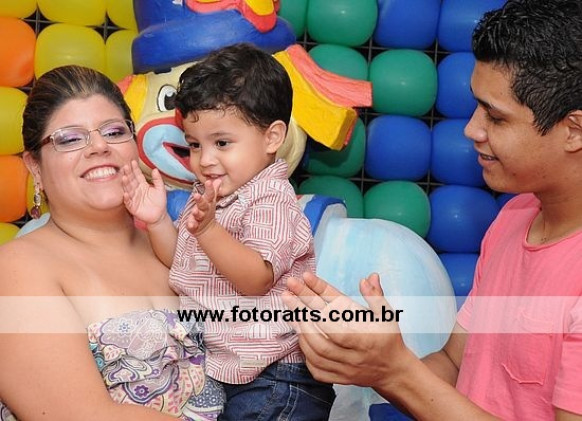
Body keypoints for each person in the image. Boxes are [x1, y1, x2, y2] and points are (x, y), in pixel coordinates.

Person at [283, 0, 582, 420]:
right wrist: (366, 358)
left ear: (573, 130)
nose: (471, 129)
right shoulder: (516, 215)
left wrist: (395, 371)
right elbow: (455, 364)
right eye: (477, 107)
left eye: (496, 118)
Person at [122, 42, 335, 420]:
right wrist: (156, 220)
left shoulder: (270, 200)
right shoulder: (209, 197)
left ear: (272, 137)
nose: (205, 160)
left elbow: (255, 278)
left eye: (222, 143)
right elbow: (181, 261)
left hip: (277, 378)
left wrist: (208, 230)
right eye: (194, 145)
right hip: (226, 372)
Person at [0, 65, 224, 420]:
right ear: (35, 167)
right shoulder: (15, 270)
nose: (99, 146)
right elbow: (81, 415)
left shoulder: (173, 246)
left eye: (114, 131)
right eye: (70, 139)